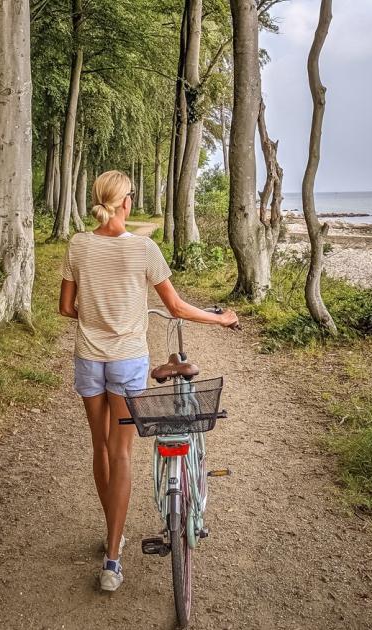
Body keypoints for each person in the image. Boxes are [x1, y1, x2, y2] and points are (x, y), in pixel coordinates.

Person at [58, 170, 238, 592]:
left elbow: (66, 307)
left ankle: (111, 534)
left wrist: (96, 314)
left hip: (89, 360)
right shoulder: (143, 248)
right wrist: (221, 318)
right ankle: (113, 559)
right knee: (121, 454)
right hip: (126, 362)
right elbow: (175, 307)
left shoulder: (78, 244)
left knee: (99, 447)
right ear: (126, 202)